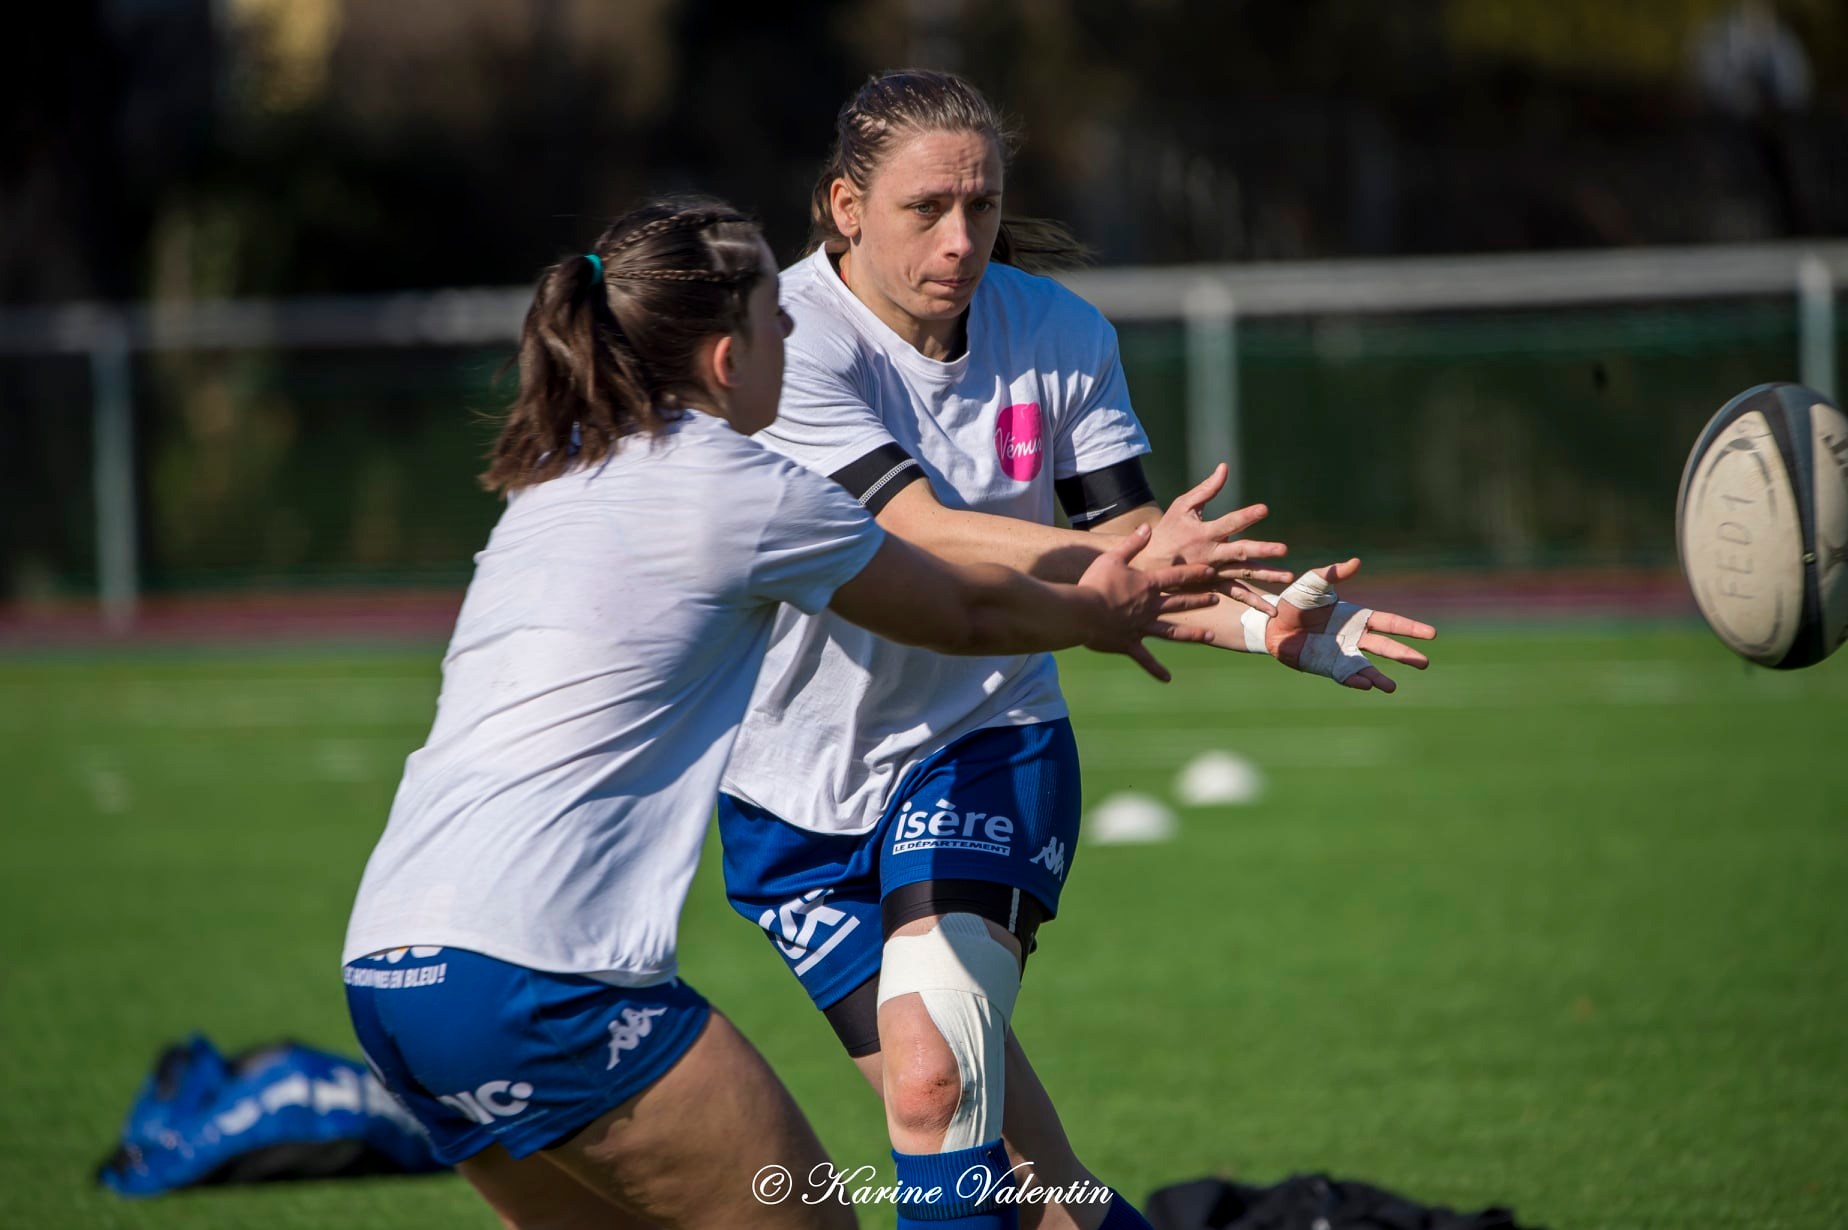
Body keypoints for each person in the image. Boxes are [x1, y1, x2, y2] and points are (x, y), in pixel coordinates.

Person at [339, 197, 1221, 1230]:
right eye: (774, 318)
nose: (794, 333)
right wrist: (1096, 610)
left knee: (1016, 1171)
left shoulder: (555, 476)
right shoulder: (740, 485)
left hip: (391, 971)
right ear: (725, 360)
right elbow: (964, 608)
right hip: (552, 979)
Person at [716, 71, 1437, 1230]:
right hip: (789, 808)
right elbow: (926, 532)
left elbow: (1126, 559)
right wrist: (1137, 570)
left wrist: (1269, 625)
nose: (962, 240)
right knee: (1035, 1193)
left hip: (984, 744)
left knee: (930, 1078)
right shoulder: (786, 340)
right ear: (845, 206)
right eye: (926, 209)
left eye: (984, 205)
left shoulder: (1058, 333)